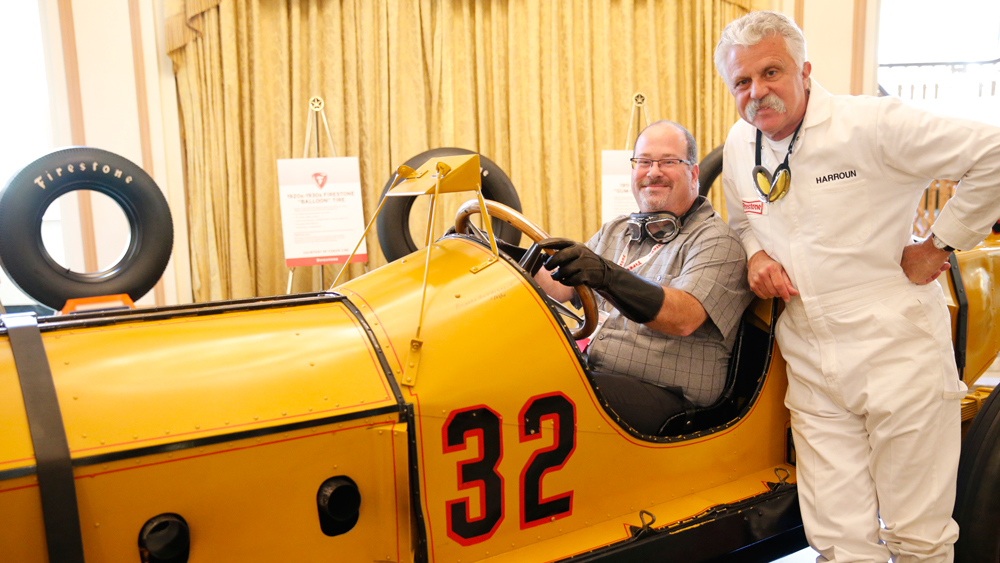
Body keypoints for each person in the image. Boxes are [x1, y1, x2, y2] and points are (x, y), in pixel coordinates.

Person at [714, 11, 1000, 562]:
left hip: (894, 346)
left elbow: (992, 154)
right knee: (838, 540)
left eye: (771, 72)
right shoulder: (740, 142)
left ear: (805, 71)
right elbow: (744, 218)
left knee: (918, 536)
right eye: (742, 82)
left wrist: (937, 245)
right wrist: (755, 257)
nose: (757, 92)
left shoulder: (871, 125)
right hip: (810, 357)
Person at [535, 120, 753, 436]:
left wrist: (606, 276)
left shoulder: (717, 241)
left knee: (550, 392)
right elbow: (558, 286)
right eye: (645, 162)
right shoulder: (617, 229)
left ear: (693, 174)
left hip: (669, 396)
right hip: (599, 370)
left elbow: (683, 318)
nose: (653, 172)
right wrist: (513, 256)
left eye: (668, 162)